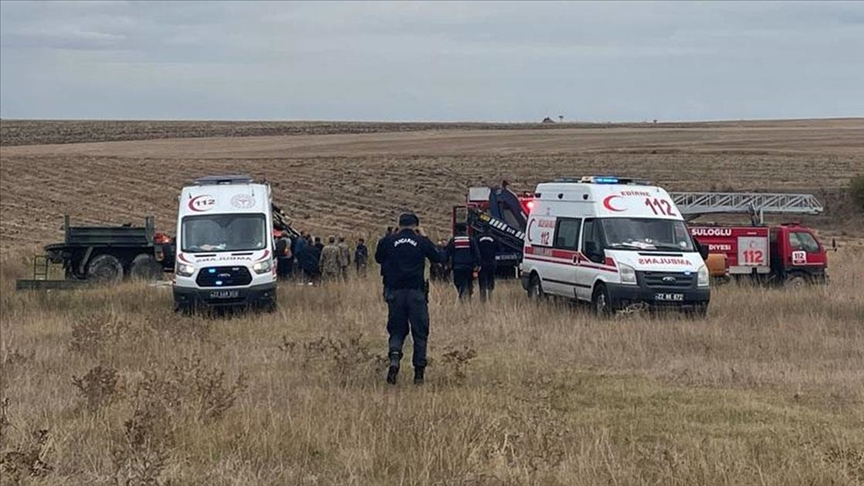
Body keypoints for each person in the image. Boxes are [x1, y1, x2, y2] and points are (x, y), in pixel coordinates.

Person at [375, 213, 444, 385]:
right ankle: (418, 373)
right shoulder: (421, 241)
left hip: (394, 293)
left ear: (398, 225)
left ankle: (395, 356)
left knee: (397, 330)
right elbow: (439, 258)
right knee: (420, 332)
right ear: (416, 226)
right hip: (416, 294)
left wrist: (391, 236)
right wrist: (425, 236)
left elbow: (378, 258)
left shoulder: (388, 241)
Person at [445, 224, 480, 301]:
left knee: (458, 283)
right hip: (469, 267)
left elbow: (447, 253)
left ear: (457, 230)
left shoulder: (453, 240)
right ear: (466, 230)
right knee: (469, 282)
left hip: (457, 266)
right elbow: (476, 253)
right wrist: (478, 264)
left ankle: (462, 296)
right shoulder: (471, 240)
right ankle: (468, 296)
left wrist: (446, 263)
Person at [477, 229, 498, 301]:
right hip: (491, 262)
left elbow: (476, 250)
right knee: (491, 278)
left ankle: (483, 298)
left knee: (482, 280)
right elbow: (499, 248)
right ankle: (490, 296)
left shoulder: (478, 238)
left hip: (482, 262)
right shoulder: (494, 238)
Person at [376, 226, 395, 300]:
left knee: (386, 284)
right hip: (397, 267)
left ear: (387, 231)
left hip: (386, 267)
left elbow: (378, 256)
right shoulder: (397, 240)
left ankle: (386, 298)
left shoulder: (382, 241)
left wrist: (382, 262)